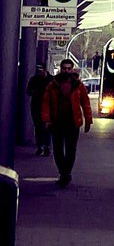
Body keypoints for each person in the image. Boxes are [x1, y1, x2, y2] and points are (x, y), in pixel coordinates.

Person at [42, 58, 92, 187]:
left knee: (70, 149)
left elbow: (85, 102)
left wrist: (88, 120)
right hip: (57, 122)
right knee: (58, 150)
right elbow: (46, 103)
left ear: (72, 69)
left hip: (72, 122)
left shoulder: (78, 85)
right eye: (64, 68)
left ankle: (66, 172)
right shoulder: (53, 85)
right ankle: (62, 172)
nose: (66, 71)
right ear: (61, 69)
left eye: (69, 69)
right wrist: (46, 119)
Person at [25, 63, 52, 156]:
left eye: (40, 70)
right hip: (37, 106)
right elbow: (28, 91)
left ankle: (46, 146)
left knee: (47, 127)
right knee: (38, 127)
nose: (39, 72)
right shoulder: (34, 79)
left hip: (48, 106)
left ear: (44, 69)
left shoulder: (51, 80)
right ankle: (40, 146)